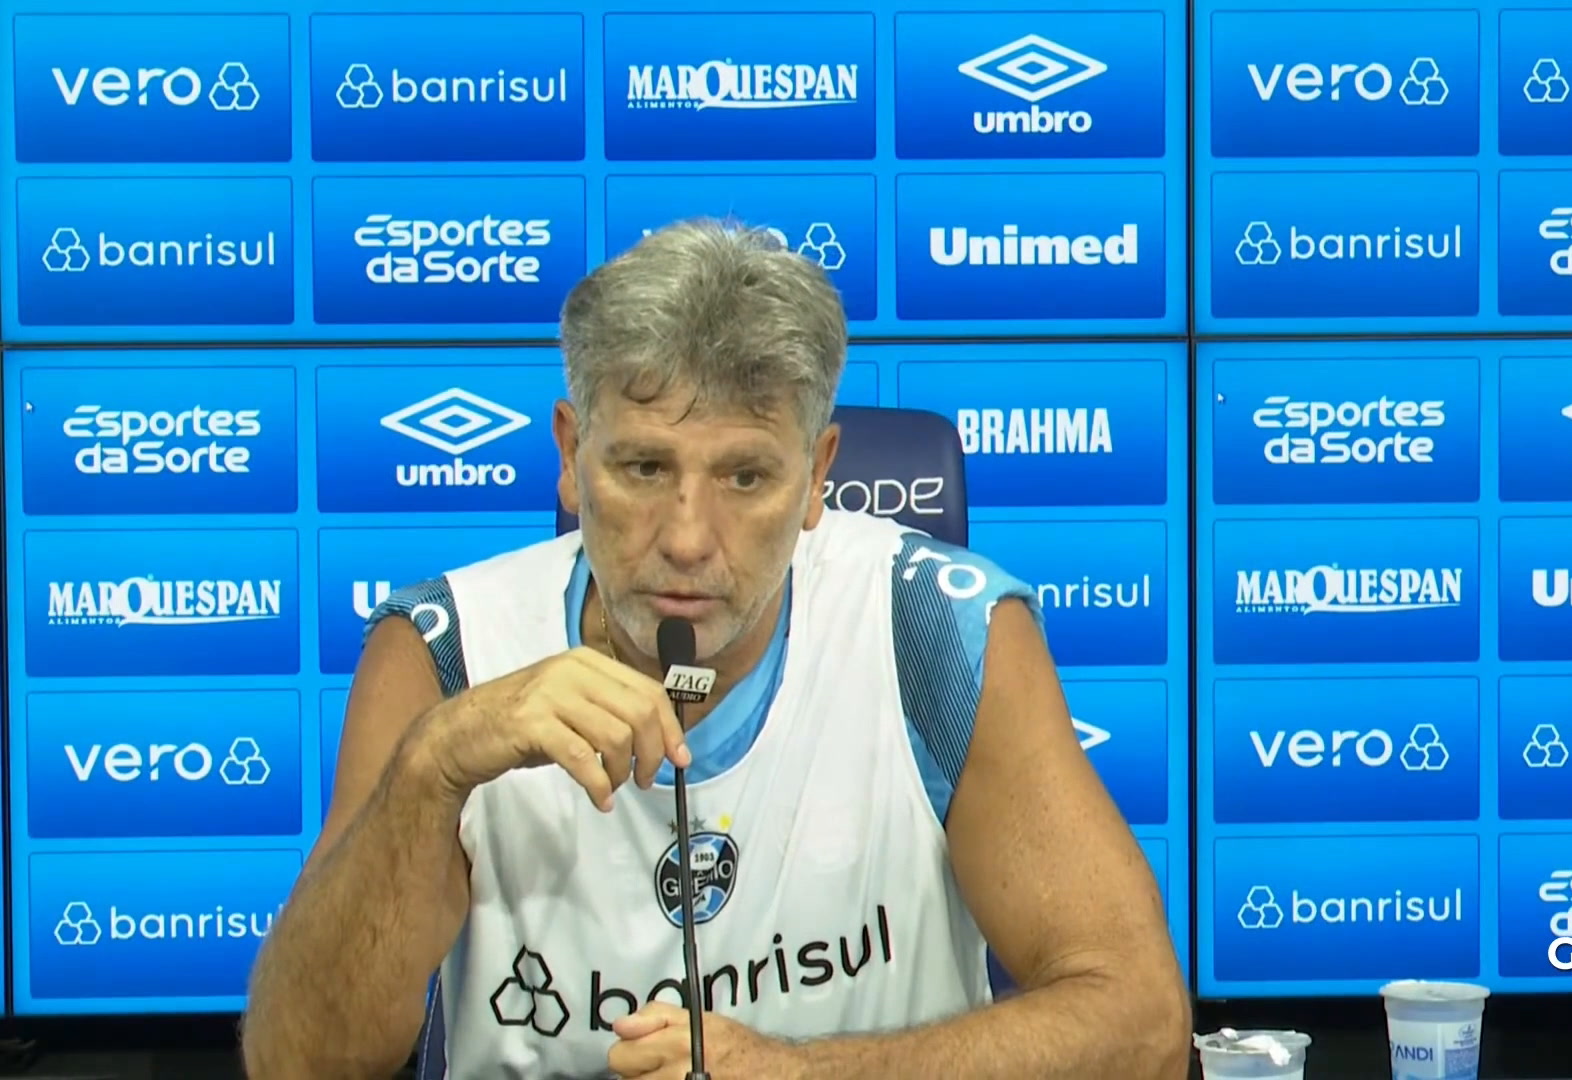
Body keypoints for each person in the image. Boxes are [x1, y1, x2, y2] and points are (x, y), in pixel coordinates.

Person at [241, 219, 1191, 1079]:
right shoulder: (444, 652)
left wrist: (801, 1077)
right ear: (571, 456)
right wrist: (431, 770)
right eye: (645, 466)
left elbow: (1139, 1021)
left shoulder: (936, 632)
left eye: (745, 477)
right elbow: (297, 1061)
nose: (689, 539)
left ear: (817, 477)